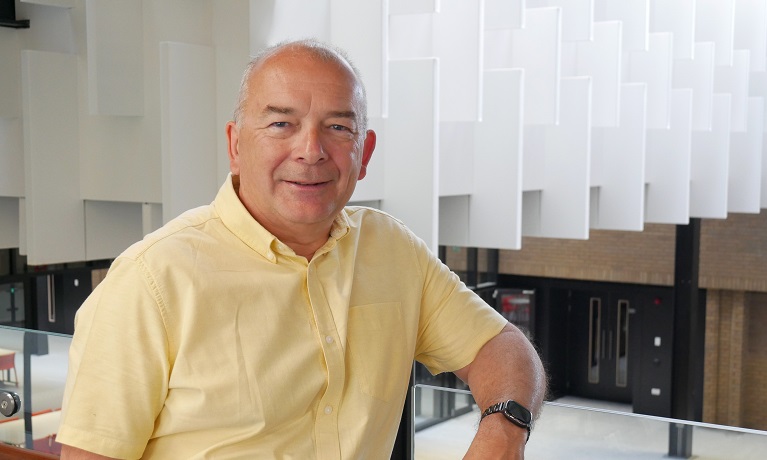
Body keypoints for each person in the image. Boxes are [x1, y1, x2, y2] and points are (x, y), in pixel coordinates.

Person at [57, 39, 546, 459]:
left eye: (338, 127)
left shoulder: (392, 250)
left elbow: (500, 348)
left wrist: (503, 430)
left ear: (365, 153)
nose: (310, 151)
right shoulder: (150, 280)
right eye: (280, 125)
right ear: (234, 144)